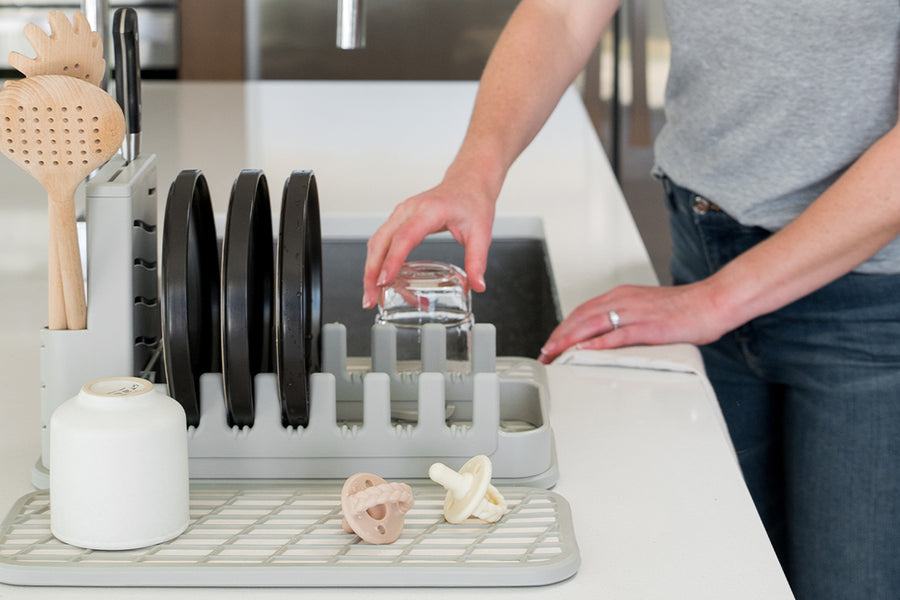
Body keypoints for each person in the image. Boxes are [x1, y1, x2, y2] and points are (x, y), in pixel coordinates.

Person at [361, 1, 900, 598]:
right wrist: (474, 173)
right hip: (705, 245)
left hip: (867, 299)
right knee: (724, 574)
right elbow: (561, 15)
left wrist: (717, 301)